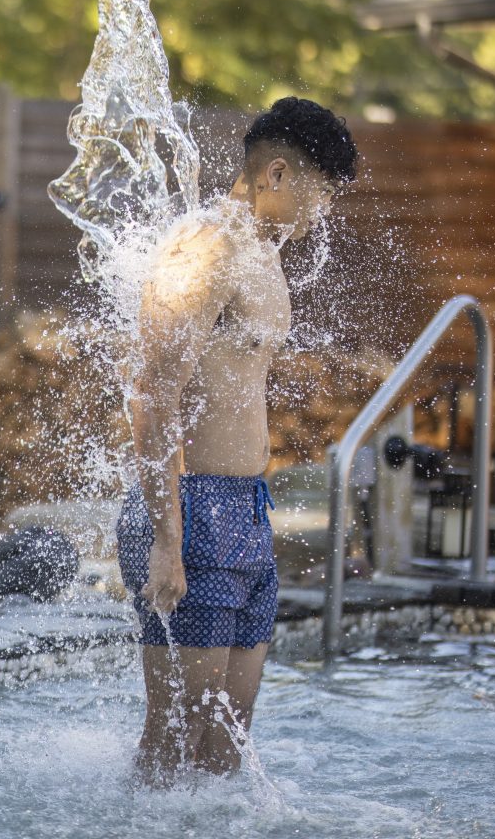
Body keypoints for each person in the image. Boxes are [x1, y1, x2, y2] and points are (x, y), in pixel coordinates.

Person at [116, 96, 359, 787]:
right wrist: (167, 537)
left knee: (224, 735)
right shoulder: (204, 249)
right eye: (319, 193)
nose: (323, 213)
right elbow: (152, 392)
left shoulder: (262, 254)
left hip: (247, 509)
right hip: (191, 510)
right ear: (277, 174)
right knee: (173, 734)